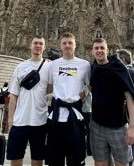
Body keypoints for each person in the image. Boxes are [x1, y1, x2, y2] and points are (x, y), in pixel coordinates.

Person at [90, 40, 134, 166]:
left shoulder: (118, 67)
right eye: (96, 48)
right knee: (99, 163)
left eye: (102, 48)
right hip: (97, 125)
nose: (99, 50)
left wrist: (132, 126)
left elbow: (129, 96)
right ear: (92, 51)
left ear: (107, 50)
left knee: (121, 163)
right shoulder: (93, 67)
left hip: (118, 126)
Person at [46, 32, 90, 166]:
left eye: (70, 43)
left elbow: (90, 85)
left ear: (75, 45)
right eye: (64, 43)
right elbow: (49, 87)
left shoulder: (84, 65)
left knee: (76, 159)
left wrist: (85, 93)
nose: (67, 46)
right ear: (60, 45)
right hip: (56, 117)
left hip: (75, 117)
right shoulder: (53, 65)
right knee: (55, 159)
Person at [7, 35, 50, 166]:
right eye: (35, 43)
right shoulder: (20, 67)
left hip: (40, 120)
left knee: (38, 159)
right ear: (30, 45)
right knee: (15, 158)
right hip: (19, 121)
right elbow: (13, 95)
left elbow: (53, 89)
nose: (38, 46)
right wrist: (10, 121)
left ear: (44, 47)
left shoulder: (49, 67)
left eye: (40, 44)